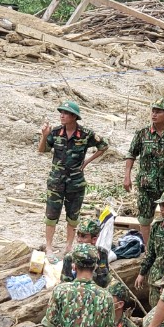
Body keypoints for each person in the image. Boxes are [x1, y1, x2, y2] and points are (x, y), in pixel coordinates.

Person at [37, 101, 110, 256]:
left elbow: (103, 146)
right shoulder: (56, 132)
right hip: (56, 181)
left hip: (76, 182)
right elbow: (42, 150)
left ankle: (69, 246)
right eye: (61, 112)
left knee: (72, 216)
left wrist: (87, 161)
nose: (62, 116)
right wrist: (44, 136)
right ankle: (49, 246)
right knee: (51, 215)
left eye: (66, 113)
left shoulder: (85, 134)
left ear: (74, 117)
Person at [124, 98, 164, 243]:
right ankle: (147, 248)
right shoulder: (143, 133)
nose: (154, 114)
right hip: (147, 184)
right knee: (145, 218)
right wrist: (127, 176)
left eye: (158, 112)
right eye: (153, 111)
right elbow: (131, 154)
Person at [60, 218, 112, 287]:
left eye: (83, 237)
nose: (79, 240)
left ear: (94, 239)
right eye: (78, 235)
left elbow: (106, 280)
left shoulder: (102, 253)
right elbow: (65, 284)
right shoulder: (70, 257)